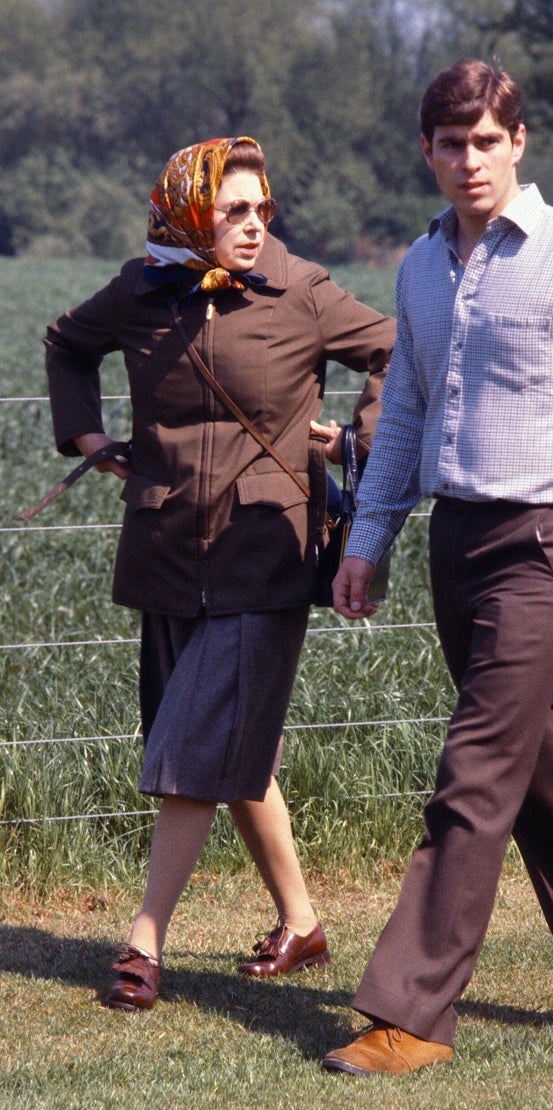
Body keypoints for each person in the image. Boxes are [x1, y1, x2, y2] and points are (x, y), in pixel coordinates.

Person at [322, 60, 553, 1077]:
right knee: (530, 767)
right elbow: (403, 415)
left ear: (517, 142)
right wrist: (366, 540)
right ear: (428, 152)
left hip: (550, 547)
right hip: (457, 541)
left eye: (487, 140)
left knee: (476, 769)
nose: (470, 160)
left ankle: (411, 1012)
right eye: (451, 143)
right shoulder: (419, 266)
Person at [44, 136, 394, 1011]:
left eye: (260, 207)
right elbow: (65, 343)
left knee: (198, 749)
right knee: (226, 748)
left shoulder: (302, 288)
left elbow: (398, 351)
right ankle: (303, 924)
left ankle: (143, 942)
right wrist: (89, 438)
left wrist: (360, 440)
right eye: (230, 209)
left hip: (267, 553)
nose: (251, 223)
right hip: (166, 551)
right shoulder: (142, 290)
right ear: (189, 212)